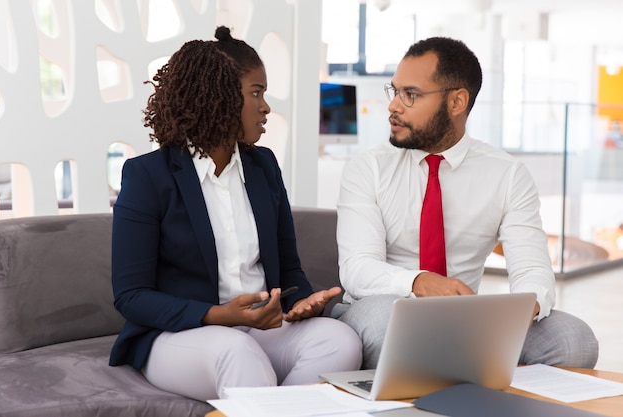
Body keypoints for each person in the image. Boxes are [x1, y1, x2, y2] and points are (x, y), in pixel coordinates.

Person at [109, 26, 362, 401]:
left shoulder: (264, 166)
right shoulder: (148, 175)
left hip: (261, 329)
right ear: (219, 97)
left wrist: (302, 303)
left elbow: (288, 268)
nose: (265, 106)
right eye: (256, 93)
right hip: (181, 335)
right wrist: (219, 315)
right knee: (238, 353)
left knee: (340, 341)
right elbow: (131, 295)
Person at [333, 36, 599, 370]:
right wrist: (418, 282)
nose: (393, 106)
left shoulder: (507, 174)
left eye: (410, 95)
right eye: (394, 90)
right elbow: (358, 269)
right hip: (381, 306)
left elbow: (532, 269)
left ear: (457, 102)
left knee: (573, 339)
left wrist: (524, 307)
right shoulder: (367, 167)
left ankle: (485, 395)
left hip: (464, 318)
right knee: (393, 322)